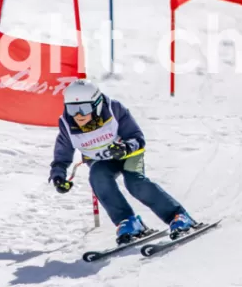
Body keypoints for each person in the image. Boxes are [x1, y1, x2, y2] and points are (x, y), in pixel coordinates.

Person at [48, 78, 196, 245]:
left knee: (134, 182)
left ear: (97, 105)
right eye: (72, 109)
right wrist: (58, 176)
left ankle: (178, 216)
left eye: (84, 108)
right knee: (97, 177)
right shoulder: (67, 124)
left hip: (129, 154)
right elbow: (62, 154)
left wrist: (125, 148)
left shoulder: (114, 110)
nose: (78, 115)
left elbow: (137, 138)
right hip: (101, 161)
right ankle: (128, 222)